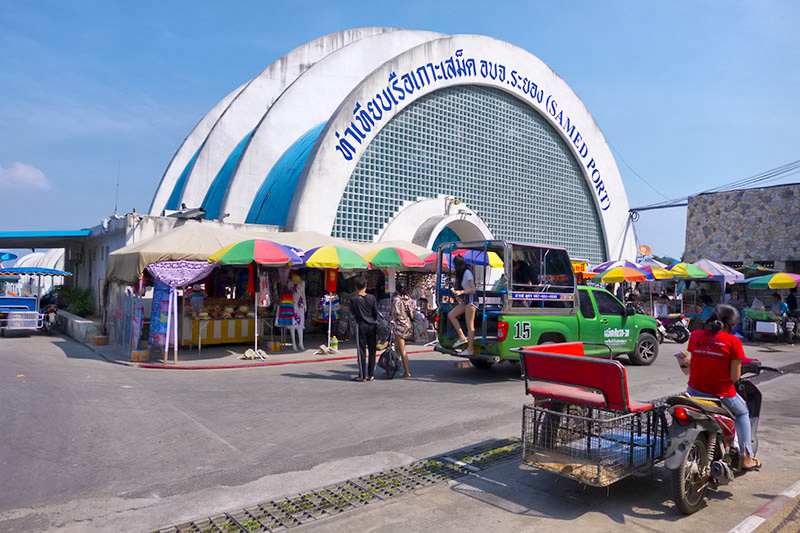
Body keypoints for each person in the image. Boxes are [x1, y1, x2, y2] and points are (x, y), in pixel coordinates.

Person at [684, 304, 760, 470]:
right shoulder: (734, 342)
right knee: (743, 412)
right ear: (732, 324)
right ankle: (746, 458)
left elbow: (694, 362)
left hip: (694, 392)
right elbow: (734, 377)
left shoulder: (695, 336)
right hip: (722, 395)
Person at [350, 276, 379, 382]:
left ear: (355, 287)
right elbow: (376, 313)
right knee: (372, 350)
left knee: (361, 350)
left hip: (361, 325)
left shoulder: (353, 299)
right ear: (365, 286)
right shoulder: (372, 298)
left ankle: (362, 375)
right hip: (372, 325)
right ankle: (371, 374)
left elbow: (353, 312)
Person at [448, 255, 477, 356]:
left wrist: (461, 292)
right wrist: (457, 292)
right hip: (466, 299)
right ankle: (462, 337)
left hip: (471, 299)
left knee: (470, 325)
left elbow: (474, 289)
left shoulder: (467, 273)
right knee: (451, 315)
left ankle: (470, 349)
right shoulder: (462, 274)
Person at [391, 282, 415, 378]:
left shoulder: (396, 300)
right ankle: (393, 368)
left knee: (401, 348)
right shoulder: (408, 299)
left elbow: (393, 314)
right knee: (397, 348)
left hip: (399, 325)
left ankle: (407, 371)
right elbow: (412, 314)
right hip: (407, 324)